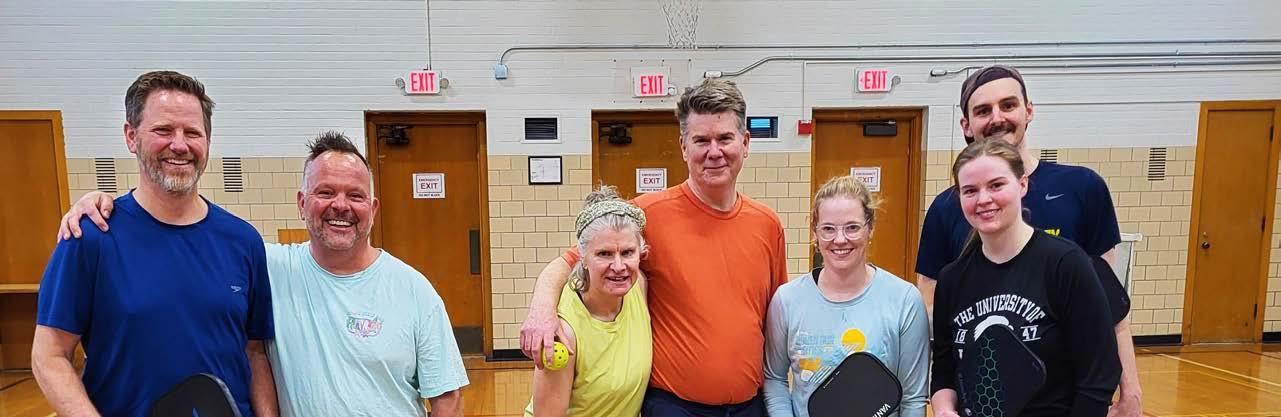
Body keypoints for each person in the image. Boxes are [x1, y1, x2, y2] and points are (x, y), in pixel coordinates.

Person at [58, 132, 469, 417]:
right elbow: (185, 236)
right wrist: (107, 207)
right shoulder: (264, 264)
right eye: (325, 192)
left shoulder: (413, 289)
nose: (341, 206)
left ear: (373, 209)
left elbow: (447, 398)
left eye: (355, 195)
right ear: (302, 203)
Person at [520, 78, 789, 417]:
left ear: (745, 142)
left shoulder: (767, 224)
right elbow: (569, 262)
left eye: (724, 138)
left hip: (750, 406)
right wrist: (541, 311)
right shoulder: (646, 215)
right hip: (672, 406)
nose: (714, 152)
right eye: (701, 140)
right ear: (683, 147)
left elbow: (777, 316)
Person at [32, 70, 278, 417]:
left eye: (192, 132)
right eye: (163, 130)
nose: (179, 145)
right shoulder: (90, 237)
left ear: (208, 141)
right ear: (131, 136)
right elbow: (49, 354)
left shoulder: (243, 240)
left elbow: (254, 352)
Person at [915, 65, 1141, 416]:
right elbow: (942, 346)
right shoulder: (949, 247)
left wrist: (1131, 392)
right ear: (966, 125)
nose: (997, 118)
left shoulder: (1078, 207)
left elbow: (1109, 313)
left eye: (1008, 105)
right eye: (983, 110)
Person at [930, 139, 1120, 417]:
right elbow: (945, 370)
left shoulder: (1065, 264)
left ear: (1022, 185)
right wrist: (944, 409)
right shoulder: (952, 279)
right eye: (970, 190)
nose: (983, 199)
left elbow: (1099, 375)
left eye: (996, 185)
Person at [764, 175, 930, 417]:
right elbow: (774, 378)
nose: (840, 239)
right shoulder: (787, 300)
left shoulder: (904, 300)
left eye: (852, 227)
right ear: (815, 232)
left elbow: (913, 397)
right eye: (828, 229)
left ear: (870, 228)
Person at [525, 186, 651, 417]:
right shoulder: (564, 331)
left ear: (640, 252)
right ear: (582, 257)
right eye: (604, 254)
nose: (619, 266)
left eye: (627, 252)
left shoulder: (638, 286)